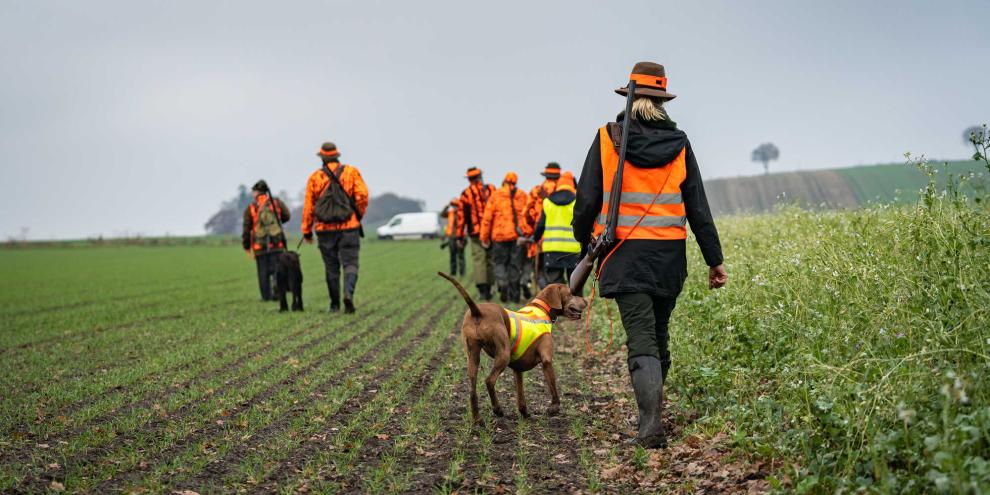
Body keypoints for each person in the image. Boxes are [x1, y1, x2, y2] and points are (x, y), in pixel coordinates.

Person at [572, 62, 728, 449]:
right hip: (669, 257)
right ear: (660, 101)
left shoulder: (608, 139)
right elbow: (698, 206)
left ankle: (650, 425)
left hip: (624, 255)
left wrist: (585, 247)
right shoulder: (680, 143)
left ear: (629, 96)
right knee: (659, 335)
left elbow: (587, 200)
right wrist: (715, 259)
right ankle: (653, 416)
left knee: (642, 338)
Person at [301, 142, 369, 314]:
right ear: (337, 156)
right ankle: (348, 294)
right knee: (350, 263)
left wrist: (306, 230)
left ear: (322, 158)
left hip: (325, 230)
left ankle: (334, 305)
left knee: (331, 267)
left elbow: (309, 206)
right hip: (349, 227)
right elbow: (362, 196)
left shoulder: (315, 177)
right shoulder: (351, 172)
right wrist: (356, 214)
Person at [480, 172, 531, 303]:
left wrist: (484, 237)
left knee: (500, 263)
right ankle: (515, 295)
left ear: (504, 181)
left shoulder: (495, 195)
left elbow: (487, 219)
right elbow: (528, 215)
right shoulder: (522, 195)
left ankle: (503, 285)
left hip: (499, 237)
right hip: (517, 237)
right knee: (515, 265)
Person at [241, 180, 291, 301]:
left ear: (256, 192)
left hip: (260, 246)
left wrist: (246, 246)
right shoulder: (277, 203)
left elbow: (246, 229)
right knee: (277, 269)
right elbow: (287, 216)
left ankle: (266, 297)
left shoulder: (251, 208)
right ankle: (278, 292)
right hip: (277, 243)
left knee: (262, 272)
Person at [532, 171, 580, 288]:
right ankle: (575, 306)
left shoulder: (547, 202)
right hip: (572, 250)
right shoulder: (577, 201)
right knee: (575, 285)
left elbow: (541, 225)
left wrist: (535, 238)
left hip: (552, 250)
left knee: (555, 287)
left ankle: (557, 306)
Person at [521, 162, 561, 296]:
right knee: (555, 273)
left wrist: (531, 232)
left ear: (546, 175)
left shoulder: (536, 191)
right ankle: (557, 297)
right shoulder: (564, 191)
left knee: (539, 272)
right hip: (559, 240)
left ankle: (547, 297)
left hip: (539, 239)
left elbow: (525, 214)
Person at [456, 167, 496, 300]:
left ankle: (482, 290)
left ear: (468, 179)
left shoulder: (466, 194)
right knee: (490, 259)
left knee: (479, 260)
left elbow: (461, 217)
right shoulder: (491, 189)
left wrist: (459, 236)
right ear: (480, 177)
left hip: (475, 233)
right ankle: (490, 288)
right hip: (491, 232)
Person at [441, 198, 465, 277]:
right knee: (452, 256)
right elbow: (442, 214)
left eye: (456, 205)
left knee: (461, 256)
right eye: (453, 205)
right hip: (451, 237)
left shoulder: (462, 213)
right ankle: (453, 273)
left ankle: (462, 273)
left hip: (460, 237)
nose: (454, 207)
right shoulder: (450, 213)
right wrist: (447, 206)